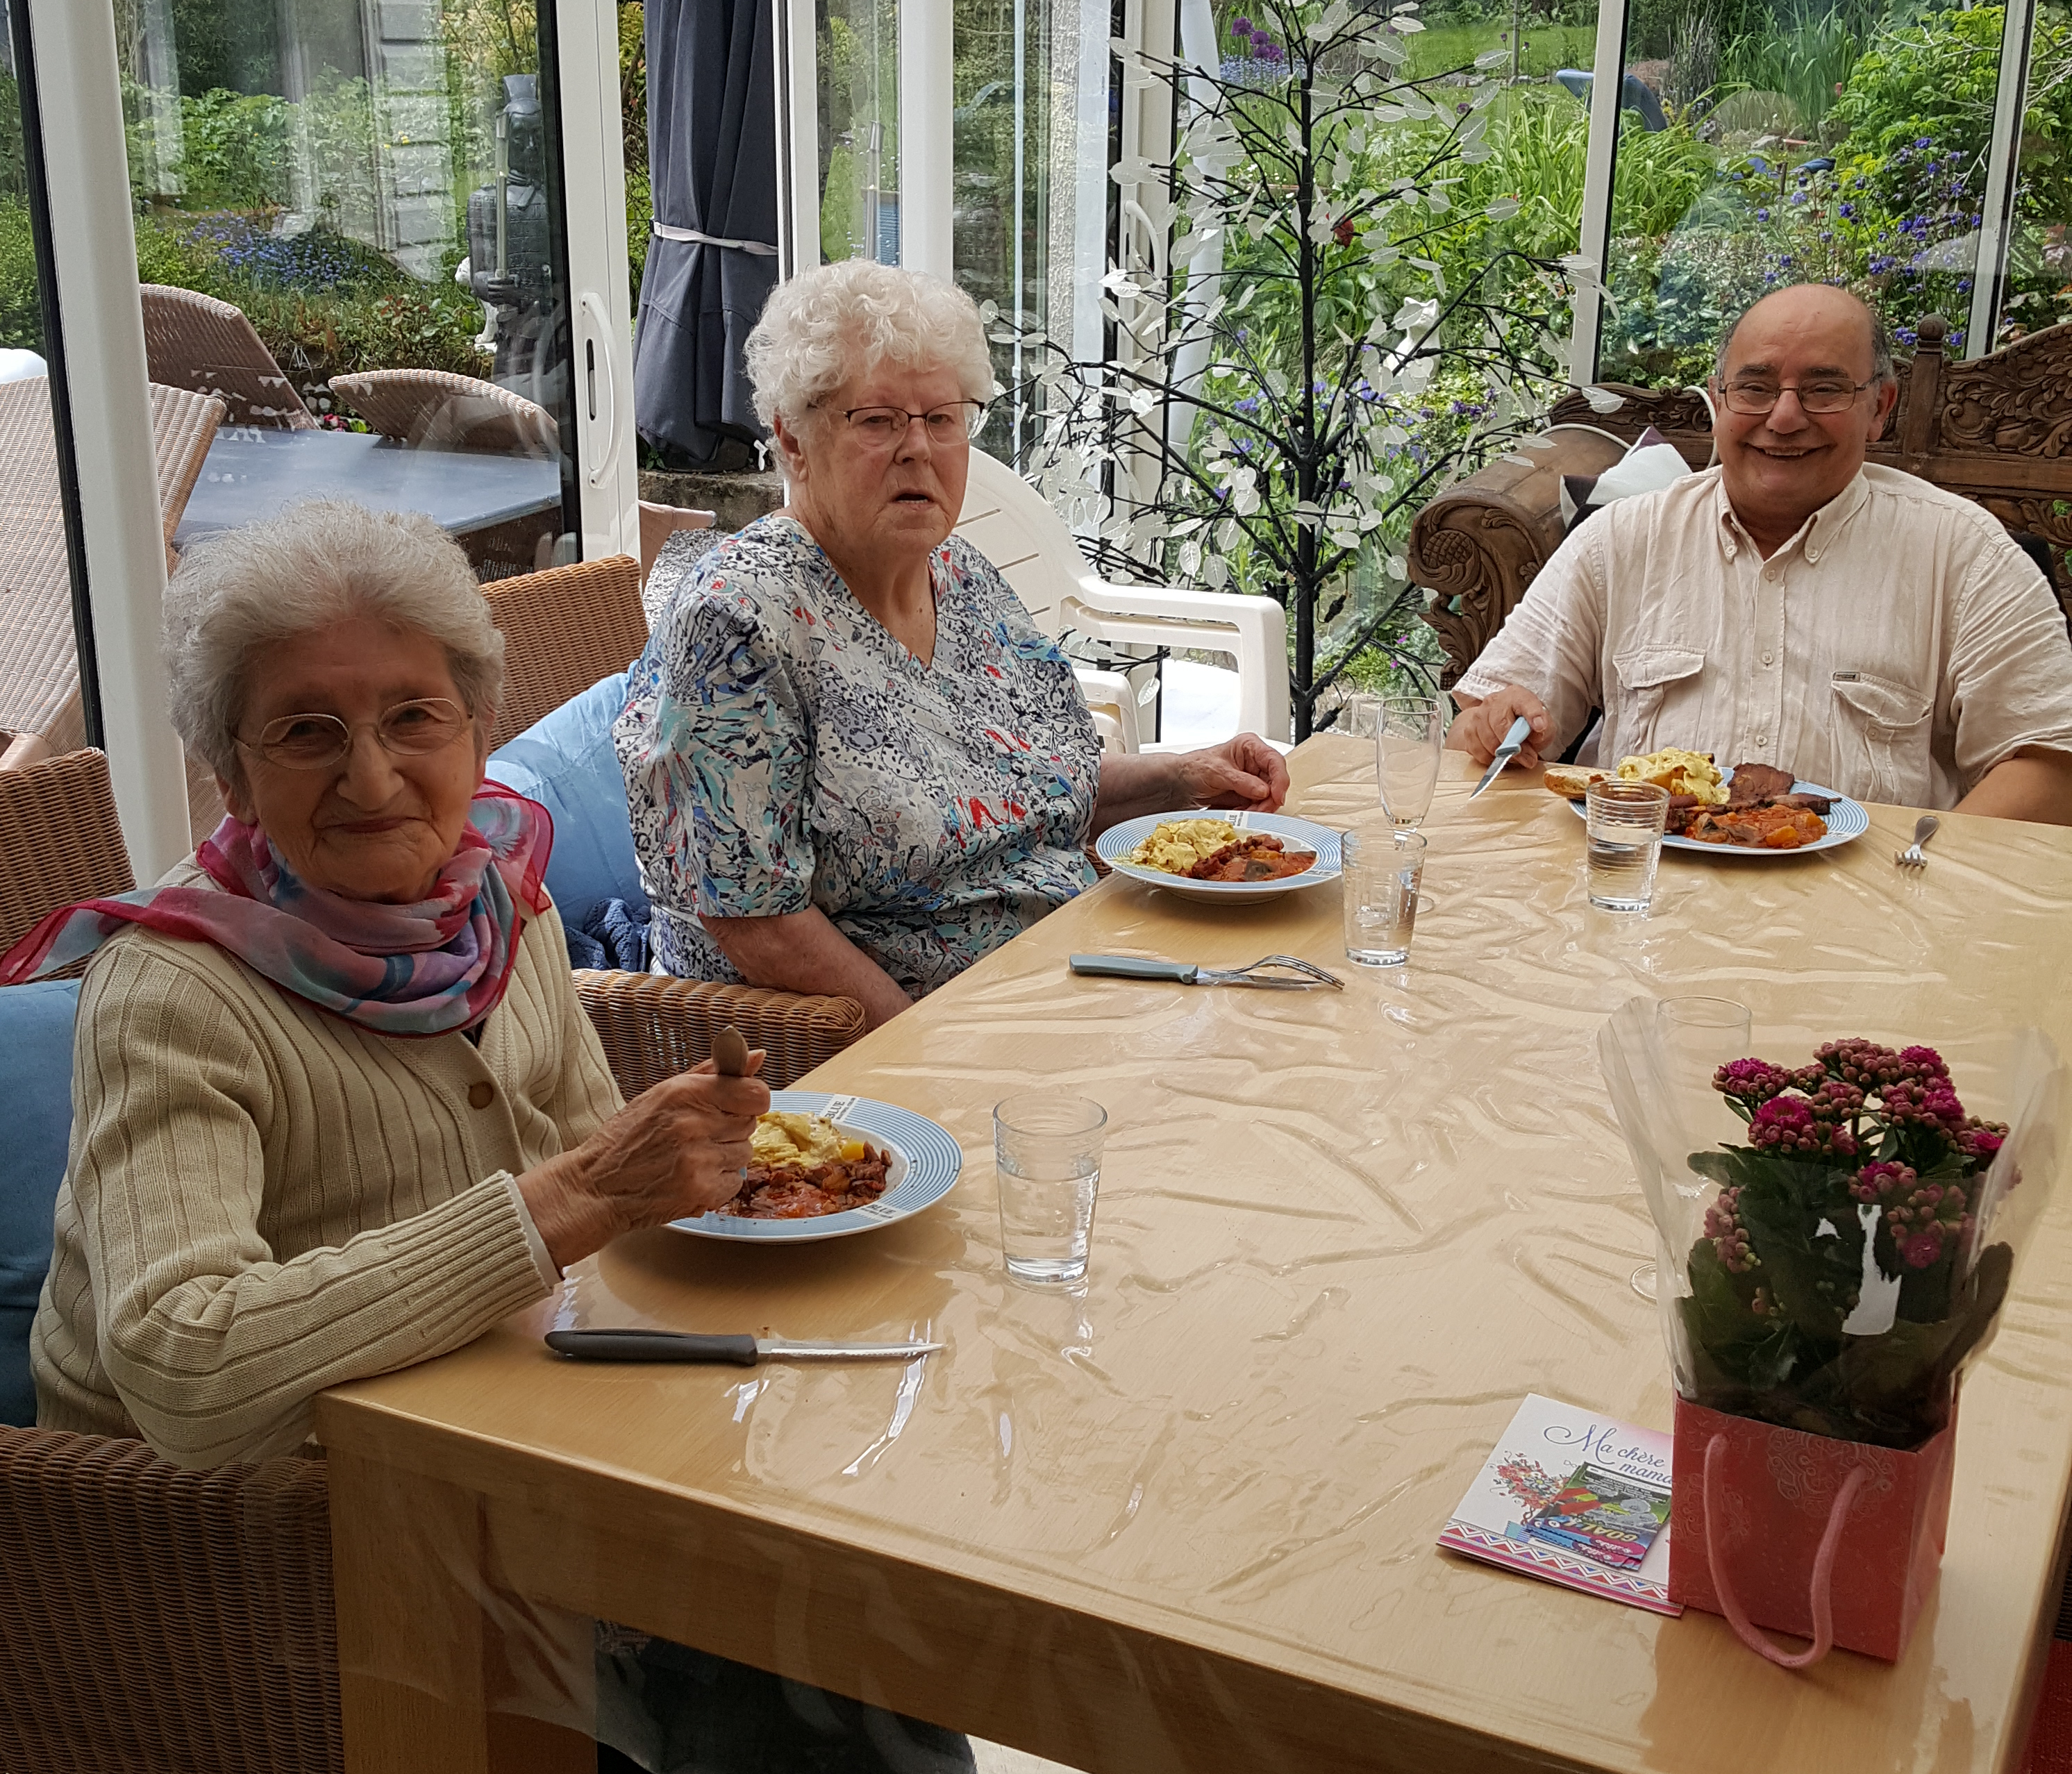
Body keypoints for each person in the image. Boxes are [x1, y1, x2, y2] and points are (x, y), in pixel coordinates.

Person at [6, 500, 972, 1774]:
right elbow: (182, 1369)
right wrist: (568, 1200)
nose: (370, 775)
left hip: (512, 1448)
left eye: (413, 717)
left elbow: (585, 1196)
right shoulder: (177, 991)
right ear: (231, 774)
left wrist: (722, 1204)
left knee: (867, 1640)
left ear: (474, 731)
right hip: (257, 1558)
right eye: (306, 731)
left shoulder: (493, 904)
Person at [617, 258, 1291, 1028]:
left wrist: (1185, 777)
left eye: (941, 418)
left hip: (1080, 971)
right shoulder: (740, 619)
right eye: (877, 420)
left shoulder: (960, 576)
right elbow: (753, 918)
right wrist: (922, 1045)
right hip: (910, 1039)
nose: (918, 448)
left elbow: (1026, 787)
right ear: (792, 442)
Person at [1446, 282, 2072, 821]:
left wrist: (1915, 891)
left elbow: (2050, 769)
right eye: (1755, 388)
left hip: (1862, 927)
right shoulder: (1622, 540)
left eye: (1824, 390)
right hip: (1639, 902)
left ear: (1879, 407)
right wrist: (1493, 725)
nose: (1785, 416)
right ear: (1719, 402)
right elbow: (1478, 731)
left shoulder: (1966, 555)